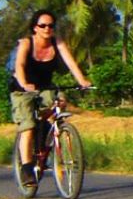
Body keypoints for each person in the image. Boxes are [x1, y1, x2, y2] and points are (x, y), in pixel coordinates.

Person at [10, 10, 94, 188]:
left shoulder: (58, 43)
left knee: (58, 105)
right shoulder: (26, 43)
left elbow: (71, 63)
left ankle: (47, 140)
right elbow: (20, 65)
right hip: (22, 88)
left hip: (45, 87)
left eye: (50, 25)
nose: (47, 29)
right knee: (28, 126)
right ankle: (26, 168)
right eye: (43, 25)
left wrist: (82, 81)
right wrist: (25, 83)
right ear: (35, 28)